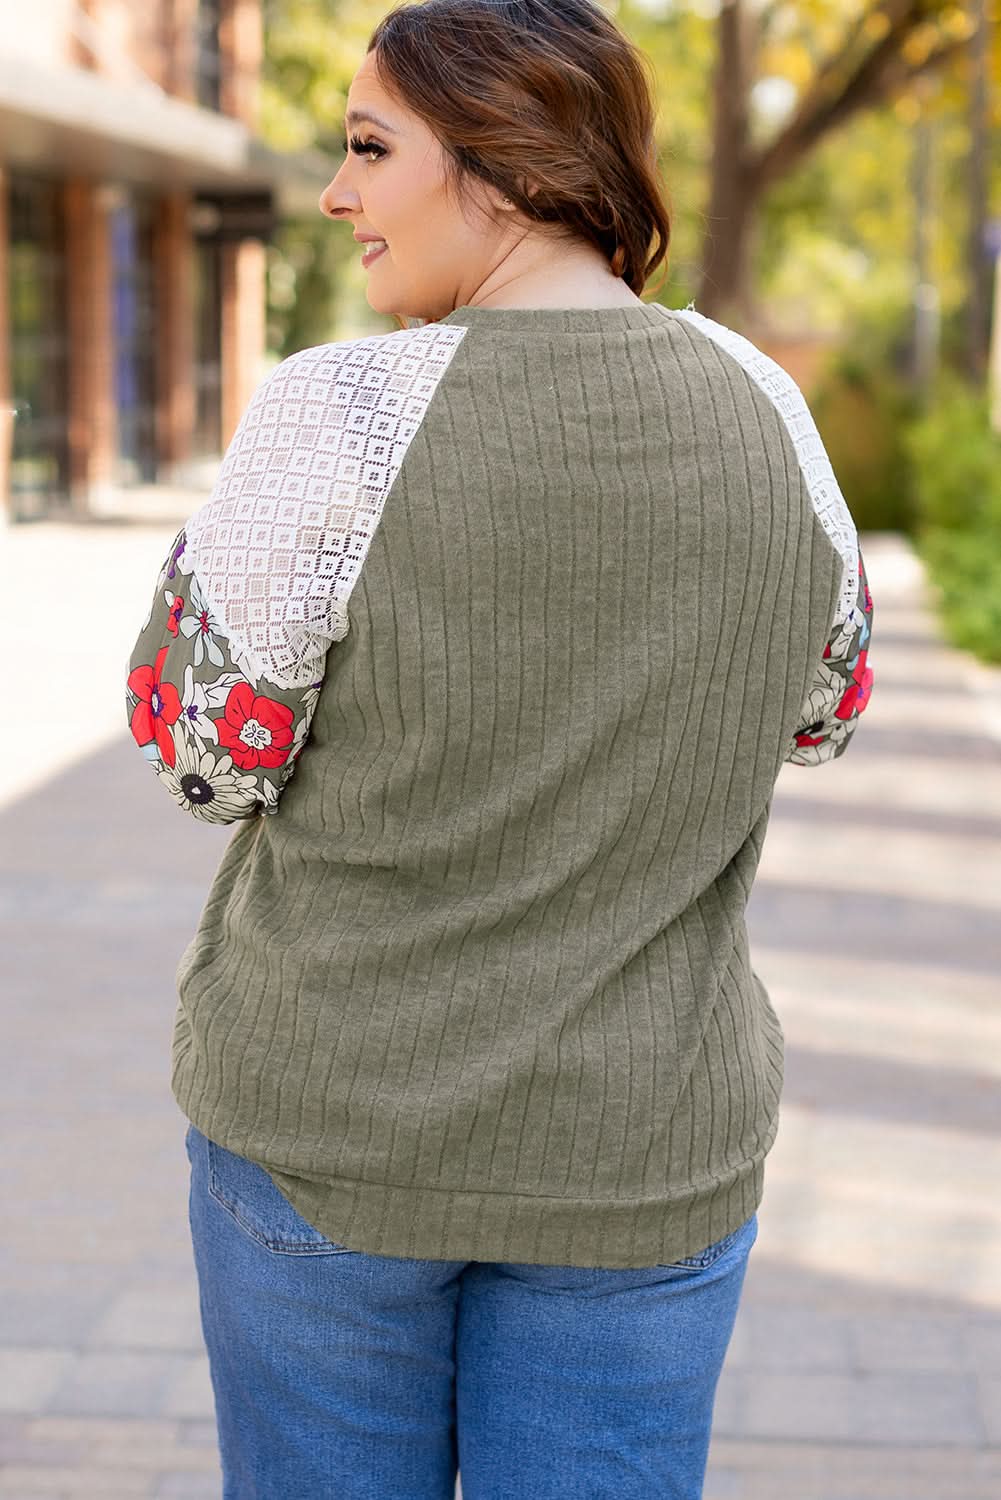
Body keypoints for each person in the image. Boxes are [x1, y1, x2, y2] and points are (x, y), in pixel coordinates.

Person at [125, 1, 875, 1495]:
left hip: (326, 1134)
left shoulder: (338, 410)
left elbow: (207, 758)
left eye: (366, 148)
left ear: (508, 166)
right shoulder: (765, 404)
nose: (337, 193)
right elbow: (824, 709)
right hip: (642, 1145)